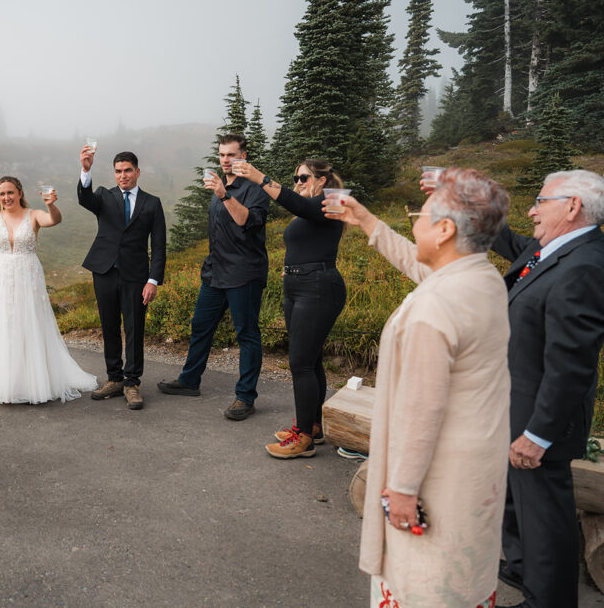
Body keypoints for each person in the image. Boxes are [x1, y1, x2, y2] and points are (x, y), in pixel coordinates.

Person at [326, 168, 512, 607]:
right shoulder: (480, 279)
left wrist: (404, 488)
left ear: (445, 230)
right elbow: (422, 264)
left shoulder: (435, 306)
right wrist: (369, 222)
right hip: (475, 472)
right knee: (461, 580)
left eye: (420, 215)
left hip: (437, 478)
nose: (414, 222)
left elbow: (422, 408)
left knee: (422, 581)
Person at [491, 170, 604, 608]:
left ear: (572, 206)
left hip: (541, 413)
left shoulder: (585, 265)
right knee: (516, 502)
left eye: (540, 201)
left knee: (545, 514)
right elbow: (513, 244)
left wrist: (538, 434)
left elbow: (570, 364)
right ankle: (522, 566)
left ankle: (550, 598)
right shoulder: (553, 249)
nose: (531, 210)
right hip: (517, 400)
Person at [236, 158, 346, 457]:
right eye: (295, 178)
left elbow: (302, 207)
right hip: (299, 286)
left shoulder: (334, 201)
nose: (298, 183)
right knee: (310, 360)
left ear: (322, 180)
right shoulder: (312, 206)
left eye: (303, 178)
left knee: (299, 363)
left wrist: (261, 178)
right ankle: (313, 426)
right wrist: (294, 268)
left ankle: (302, 439)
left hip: (319, 287)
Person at [158, 134, 269, 420]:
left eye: (231, 155)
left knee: (247, 334)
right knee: (200, 325)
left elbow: (246, 221)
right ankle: (189, 380)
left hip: (244, 273)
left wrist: (223, 195)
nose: (225, 160)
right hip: (215, 271)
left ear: (244, 156)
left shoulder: (255, 189)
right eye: (221, 155)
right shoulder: (220, 185)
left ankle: (245, 397)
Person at [0, 177, 98, 403]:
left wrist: (50, 204)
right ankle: (3, 384)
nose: (6, 198)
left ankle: (32, 383)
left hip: (27, 277)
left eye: (10, 193)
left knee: (27, 324)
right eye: (2, 194)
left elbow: (54, 220)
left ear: (19, 193)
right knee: (2, 326)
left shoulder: (34, 215)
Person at [78, 149, 167, 410]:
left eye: (127, 170)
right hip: (104, 271)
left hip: (136, 276)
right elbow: (85, 198)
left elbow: (159, 246)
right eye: (118, 171)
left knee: (134, 328)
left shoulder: (152, 203)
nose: (123, 175)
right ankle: (114, 379)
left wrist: (153, 280)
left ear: (137, 172)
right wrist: (86, 170)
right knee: (108, 327)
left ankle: (132, 383)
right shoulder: (105, 196)